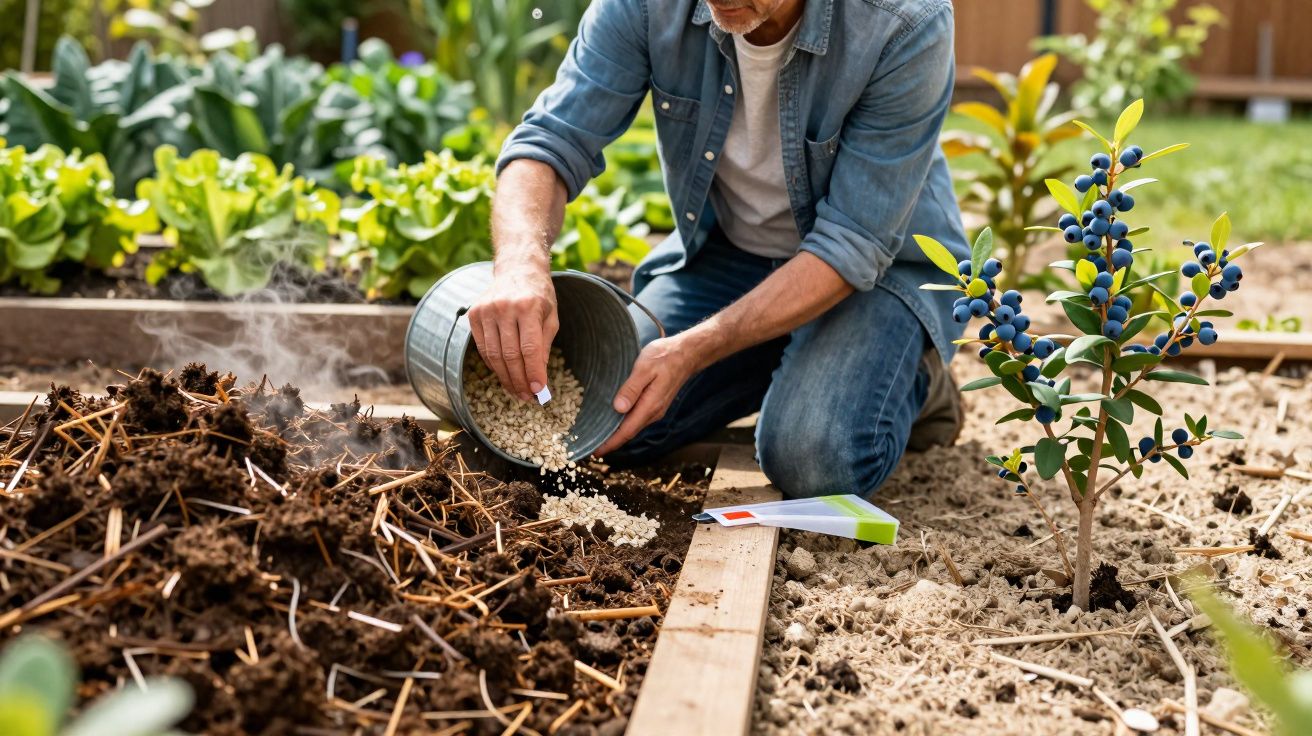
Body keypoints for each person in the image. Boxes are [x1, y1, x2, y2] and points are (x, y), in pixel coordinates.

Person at [467, 0, 970, 499]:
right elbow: (549, 142)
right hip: (730, 257)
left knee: (815, 460)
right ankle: (788, 354)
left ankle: (914, 380)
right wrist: (519, 264)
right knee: (604, 417)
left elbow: (853, 244)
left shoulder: (905, 21)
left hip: (873, 277)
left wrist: (694, 350)